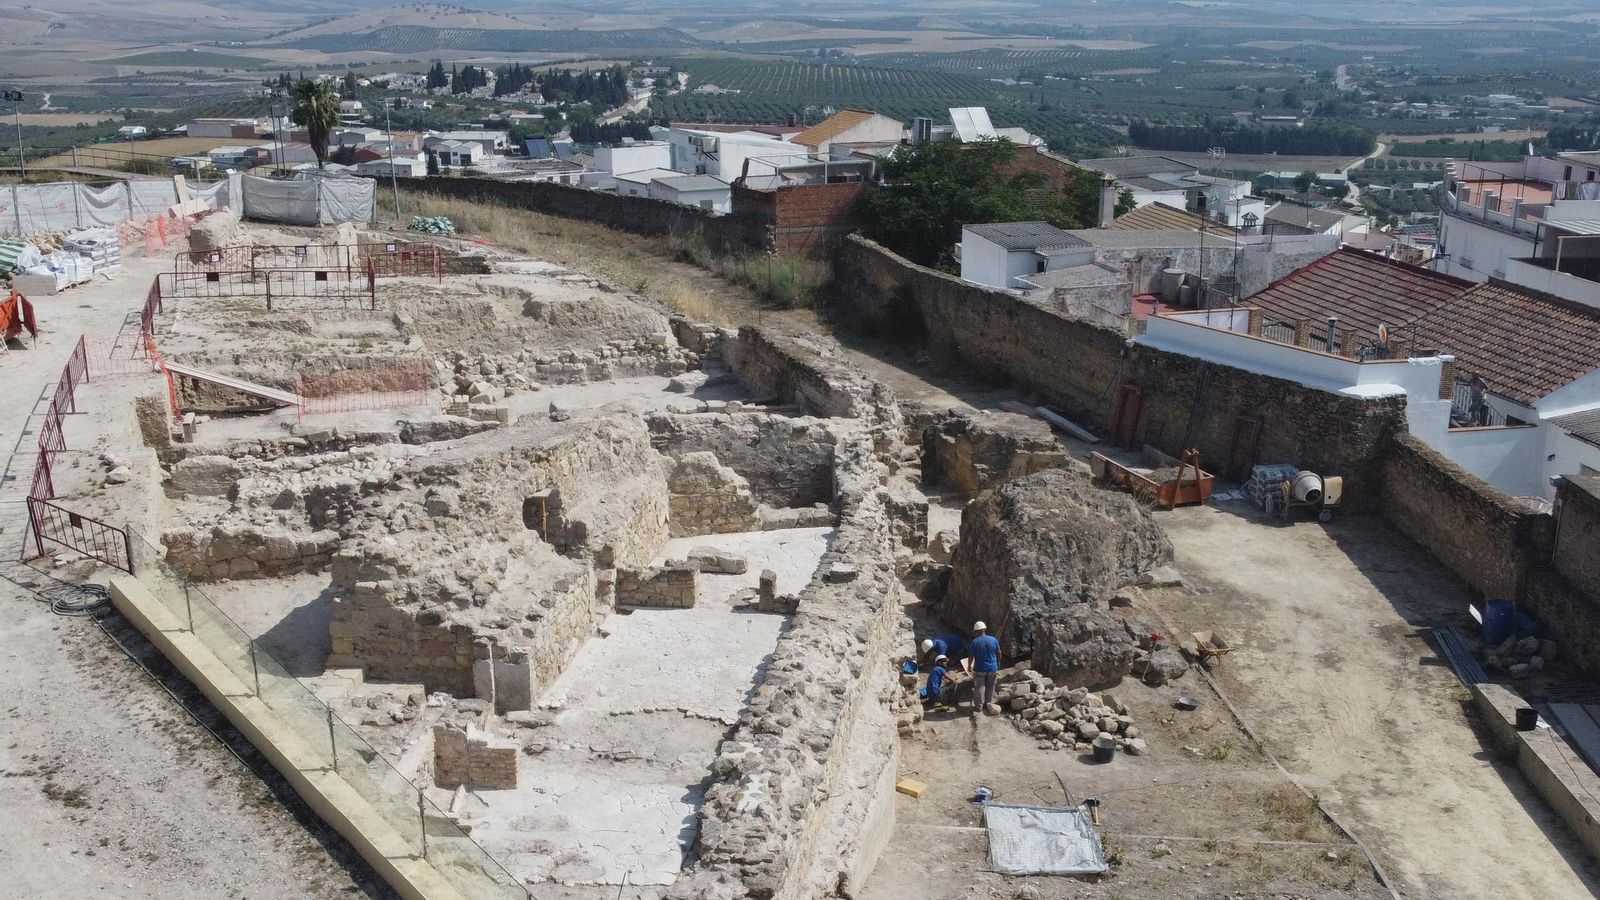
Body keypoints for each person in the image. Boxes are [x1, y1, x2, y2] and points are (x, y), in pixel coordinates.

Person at [967, 621, 1001, 716]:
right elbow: (999, 653)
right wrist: (998, 663)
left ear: (976, 631)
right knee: (991, 686)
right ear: (985, 629)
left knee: (979, 687)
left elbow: (971, 657)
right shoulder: (993, 639)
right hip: (992, 668)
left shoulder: (975, 642)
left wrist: (969, 666)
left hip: (980, 669)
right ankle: (988, 704)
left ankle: (979, 707)